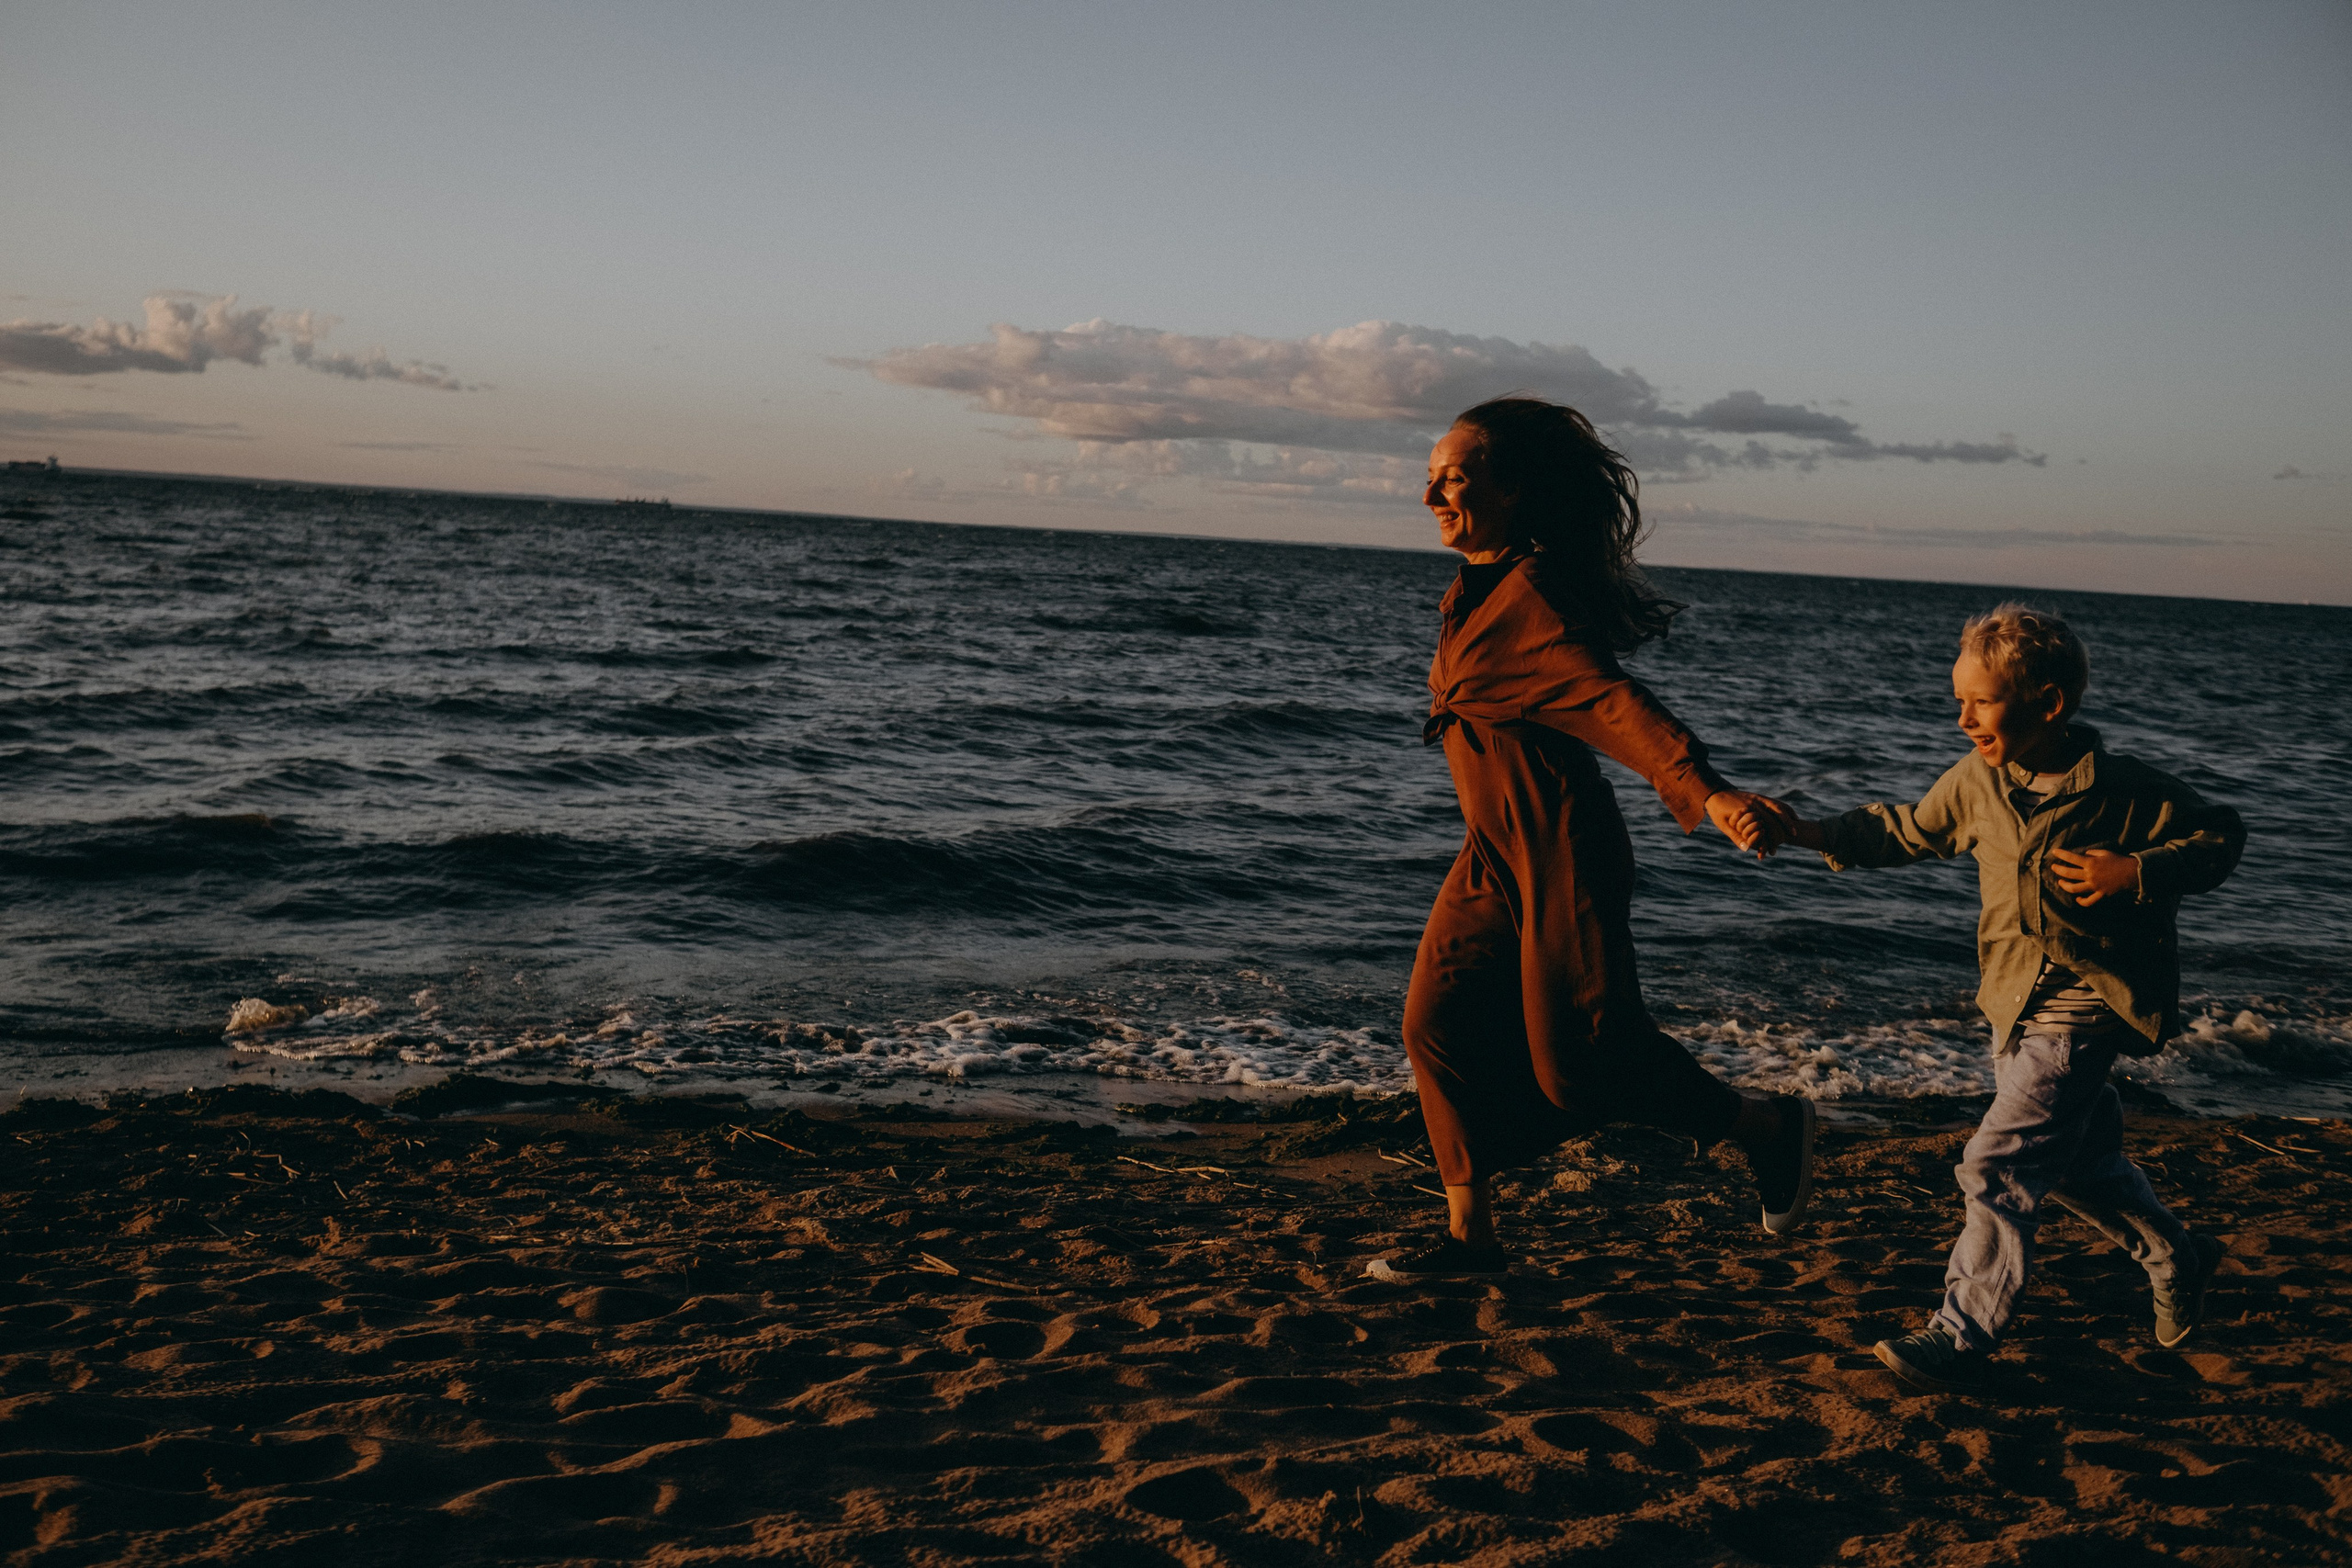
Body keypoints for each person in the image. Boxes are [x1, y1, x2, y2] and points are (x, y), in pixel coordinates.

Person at [1374, 396, 1817, 1281]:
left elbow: (1612, 702)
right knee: (1436, 1026)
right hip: (1492, 855)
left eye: (1453, 479)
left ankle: (1768, 1129)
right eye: (1428, 477)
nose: (1430, 495)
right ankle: (1472, 1241)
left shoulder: (1532, 599)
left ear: (1516, 489)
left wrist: (1709, 792)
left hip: (1561, 853)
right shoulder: (1473, 589)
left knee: (1584, 1067)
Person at [1762, 604, 2244, 1393]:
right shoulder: (1977, 783)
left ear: (2048, 703)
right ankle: (2179, 1256)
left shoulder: (2122, 790)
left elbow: (2220, 832)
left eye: (1980, 701)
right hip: (2010, 1006)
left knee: (1994, 1164)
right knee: (2083, 1164)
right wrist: (1808, 831)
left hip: (2086, 1008)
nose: (1962, 718)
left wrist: (2139, 872)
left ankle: (1960, 1334)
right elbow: (1906, 830)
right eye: (1960, 699)